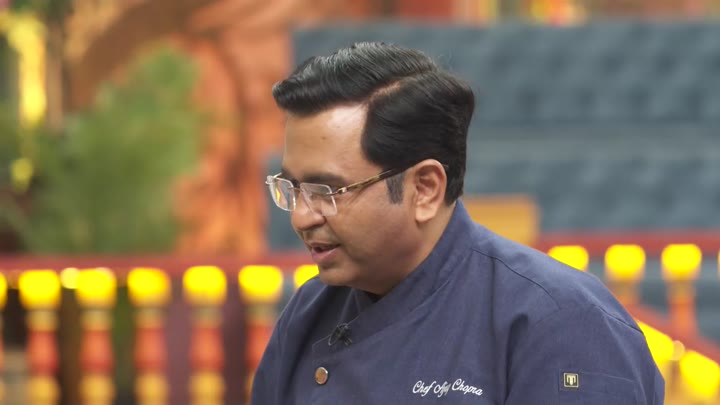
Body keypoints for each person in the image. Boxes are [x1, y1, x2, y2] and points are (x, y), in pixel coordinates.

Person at [252, 41, 664, 404]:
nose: (302, 216)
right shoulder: (309, 313)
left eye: (327, 191)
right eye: (292, 188)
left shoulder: (560, 323)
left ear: (425, 189)